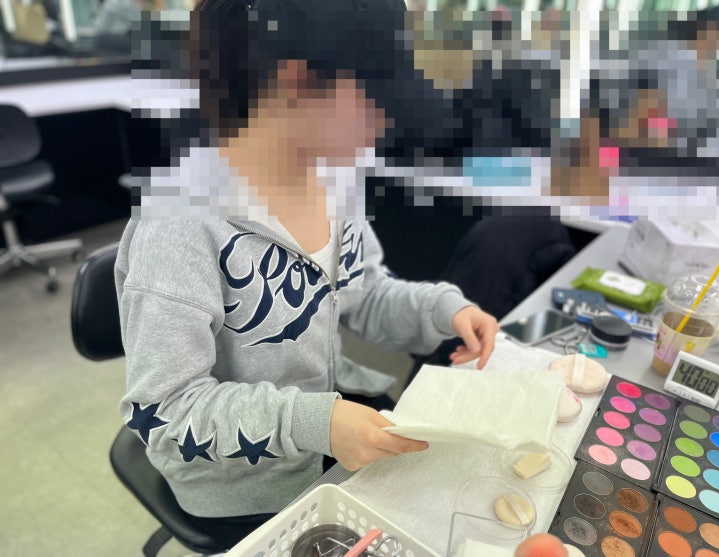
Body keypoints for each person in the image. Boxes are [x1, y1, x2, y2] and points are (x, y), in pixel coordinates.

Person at [115, 0, 498, 549]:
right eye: (377, 101)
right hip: (241, 485)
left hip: (328, 432)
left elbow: (362, 293)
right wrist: (314, 422)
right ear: (297, 81)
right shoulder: (180, 224)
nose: (387, 122)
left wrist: (443, 309)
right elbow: (165, 410)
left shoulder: (336, 180)